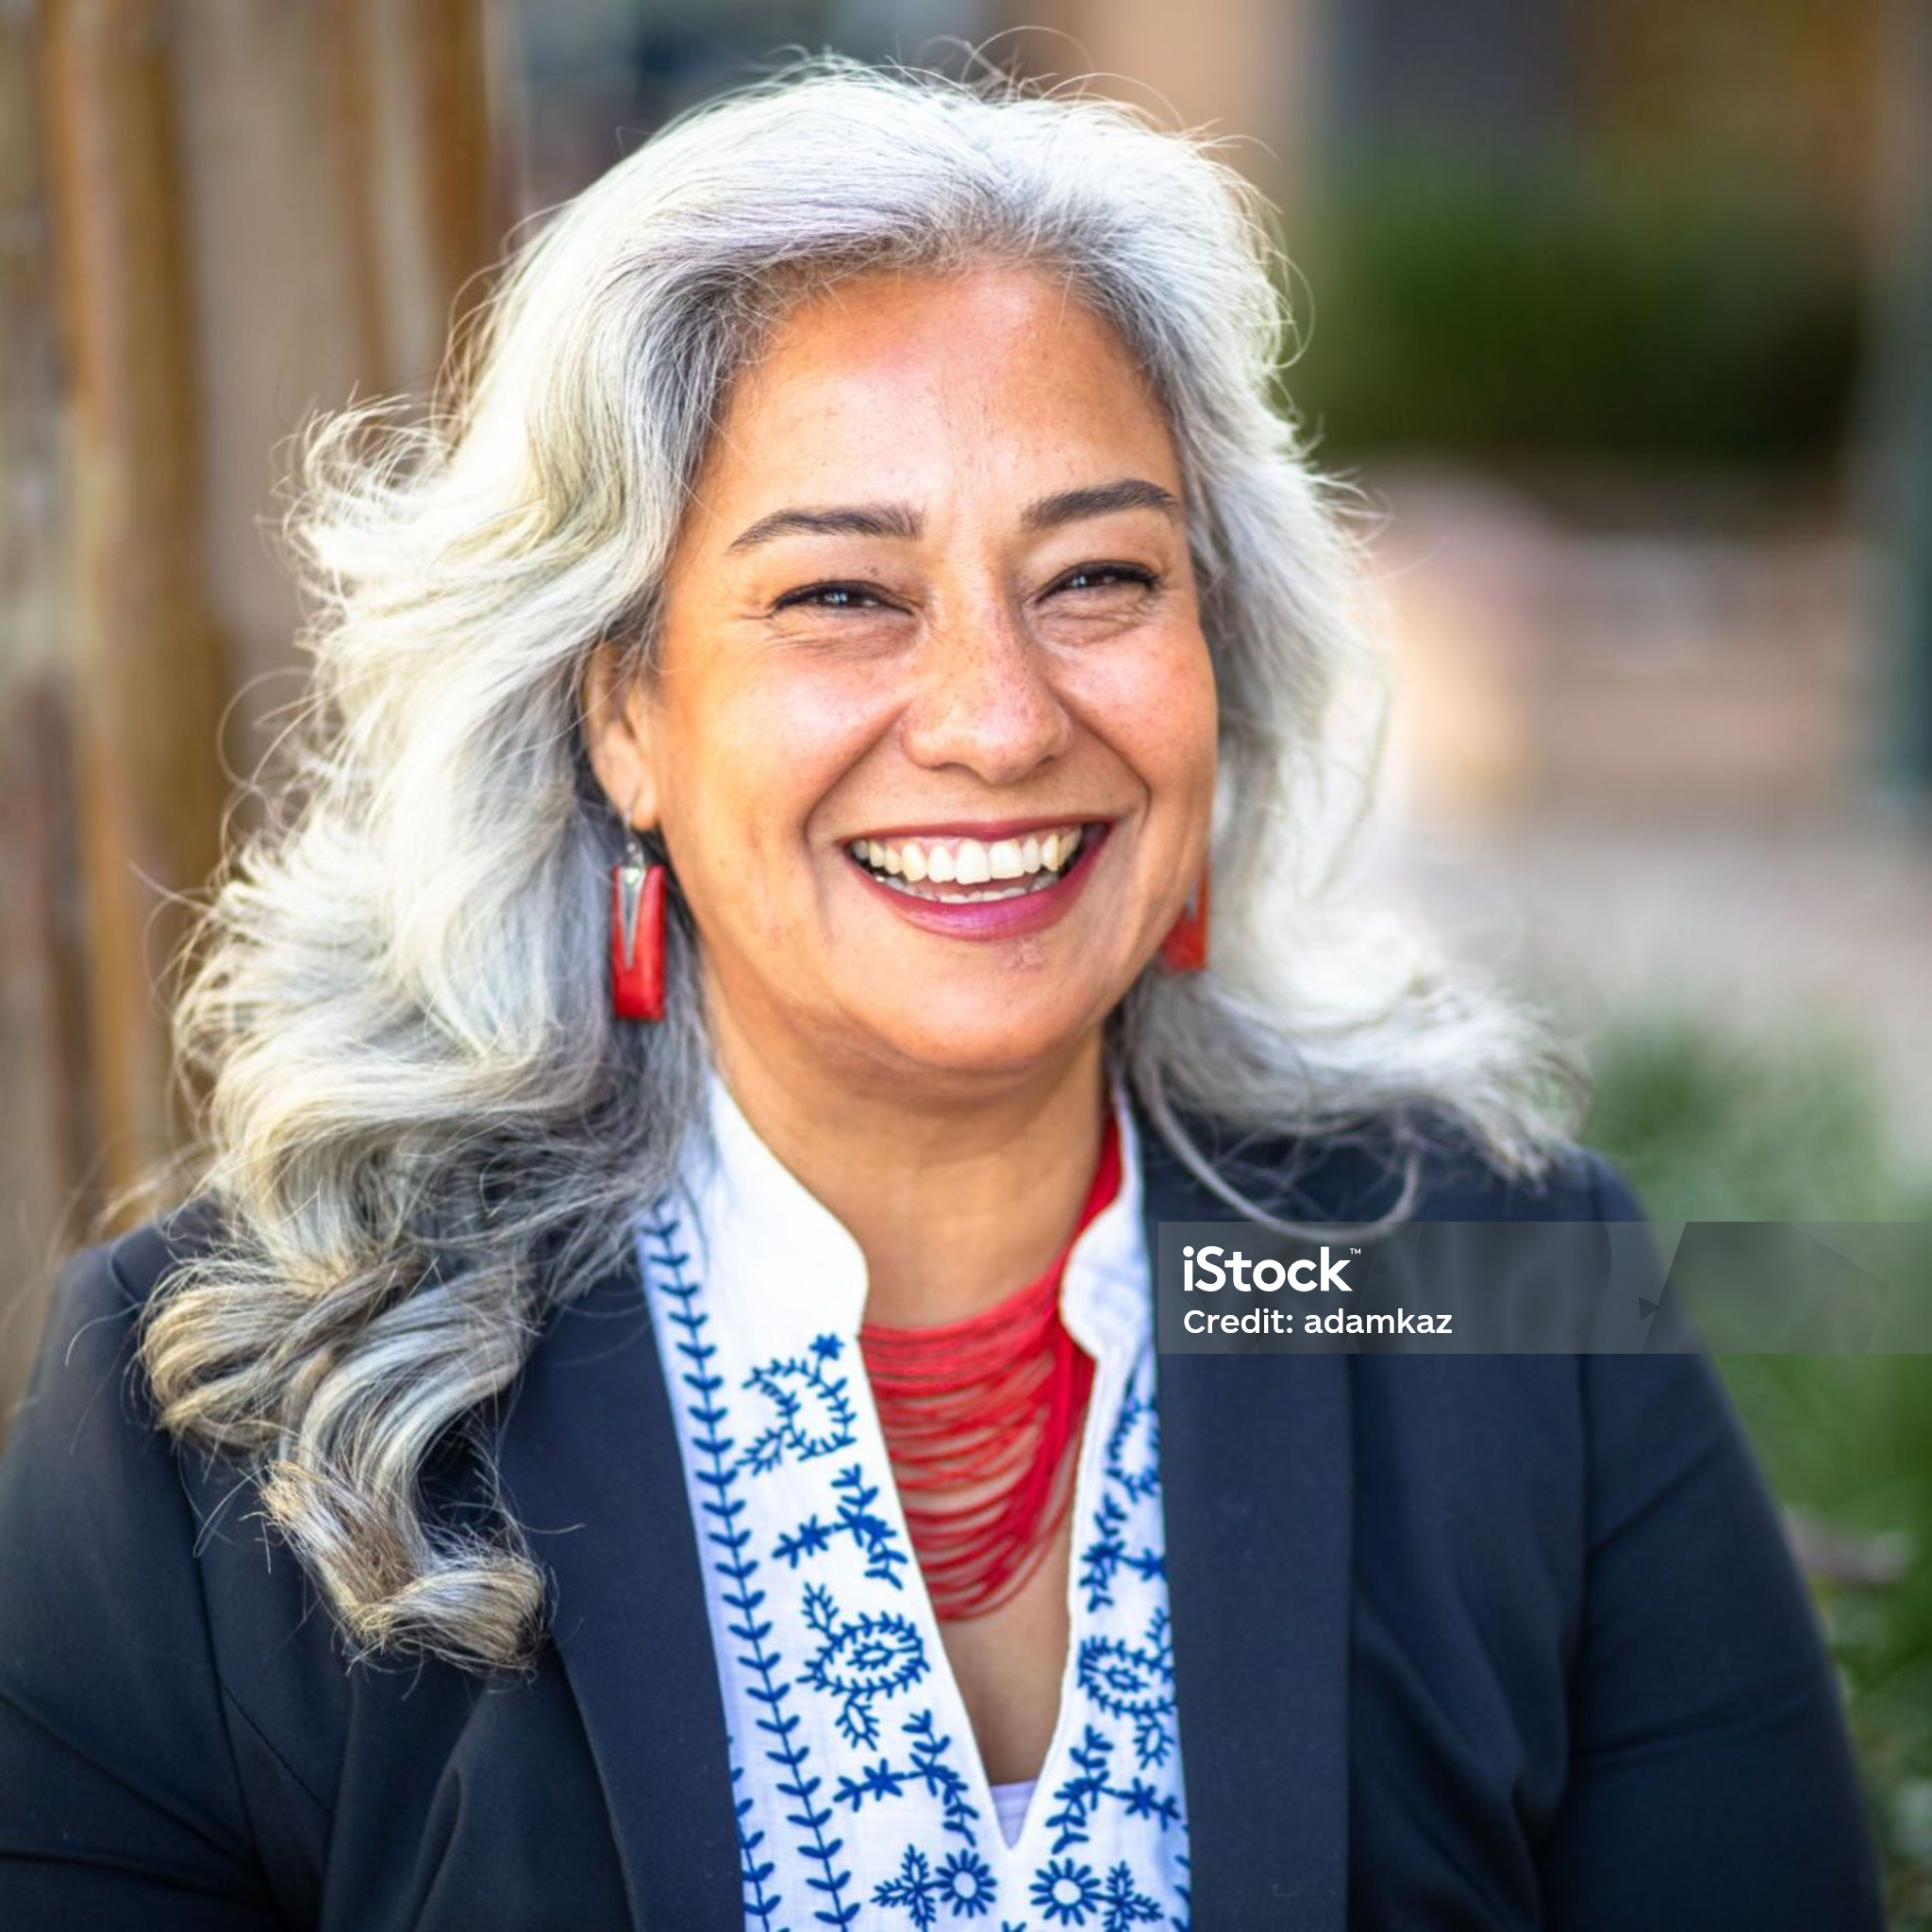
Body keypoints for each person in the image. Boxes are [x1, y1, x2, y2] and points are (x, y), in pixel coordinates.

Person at [0, 55, 1882, 1931]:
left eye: (1095, 577)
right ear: (623, 711)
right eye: (843, 595)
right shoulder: (229, 1426)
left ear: (1217, 664)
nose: (998, 717)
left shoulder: (1514, 1296)